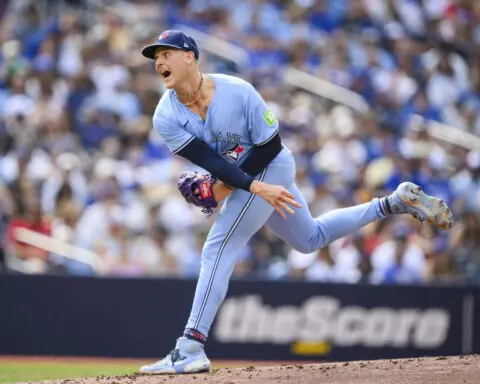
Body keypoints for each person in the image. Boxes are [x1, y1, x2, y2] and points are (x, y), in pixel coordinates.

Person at [138, 30, 454, 375]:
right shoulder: (165, 116)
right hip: (249, 179)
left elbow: (270, 146)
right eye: (155, 57)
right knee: (310, 239)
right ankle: (392, 204)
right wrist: (237, 186)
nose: (159, 62)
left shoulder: (238, 91)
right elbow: (213, 164)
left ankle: (190, 347)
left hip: (273, 165)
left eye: (166, 53)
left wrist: (250, 187)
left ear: (190, 57)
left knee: (217, 248)